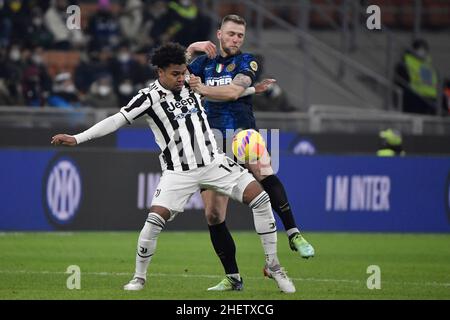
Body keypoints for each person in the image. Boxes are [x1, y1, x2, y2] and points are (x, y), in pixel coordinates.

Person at [51, 42, 296, 294]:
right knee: (154, 219)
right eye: (175, 74)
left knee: (261, 199)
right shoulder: (148, 98)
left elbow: (222, 90)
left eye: (183, 72)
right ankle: (139, 278)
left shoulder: (192, 82)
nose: (182, 78)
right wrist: (78, 138)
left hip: (214, 163)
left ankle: (273, 265)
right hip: (178, 171)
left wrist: (254, 88)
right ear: (160, 72)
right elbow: (115, 120)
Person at [186, 14, 314, 291]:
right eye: (230, 34)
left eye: (240, 36)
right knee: (213, 215)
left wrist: (201, 89)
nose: (235, 39)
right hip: (211, 142)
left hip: (241, 131)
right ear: (219, 34)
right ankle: (233, 278)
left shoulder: (247, 61)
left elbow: (233, 92)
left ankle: (294, 233)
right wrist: (190, 50)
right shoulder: (202, 62)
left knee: (261, 166)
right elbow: (172, 80)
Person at [394, 38, 439, 115]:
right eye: (420, 49)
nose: (422, 52)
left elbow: (431, 82)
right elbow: (402, 82)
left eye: (424, 49)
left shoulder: (427, 65)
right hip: (414, 98)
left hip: (430, 99)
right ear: (413, 50)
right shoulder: (405, 63)